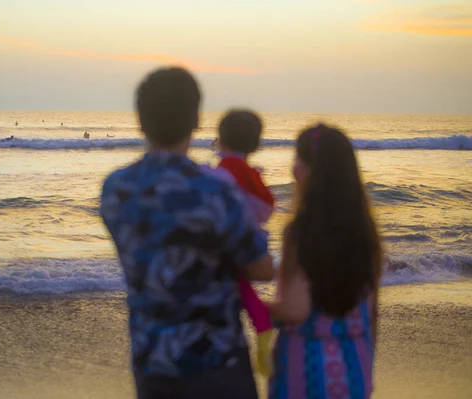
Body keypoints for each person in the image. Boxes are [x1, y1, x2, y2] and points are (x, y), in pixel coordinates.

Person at [100, 67, 275, 399]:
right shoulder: (216, 192)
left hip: (152, 359)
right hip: (217, 361)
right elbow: (262, 268)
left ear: (139, 120)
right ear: (197, 119)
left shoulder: (115, 189)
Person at [266, 124, 382, 399]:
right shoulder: (366, 231)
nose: (292, 169)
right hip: (355, 366)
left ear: (308, 170)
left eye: (297, 159)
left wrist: (241, 297)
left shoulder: (301, 231)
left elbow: (295, 309)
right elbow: (373, 314)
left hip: (305, 368)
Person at [208, 109, 276, 377]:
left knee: (239, 285)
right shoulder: (246, 172)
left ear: (220, 139)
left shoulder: (226, 170)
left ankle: (262, 327)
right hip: (247, 238)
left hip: (233, 238)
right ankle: (262, 328)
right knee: (243, 288)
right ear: (256, 144)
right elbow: (268, 206)